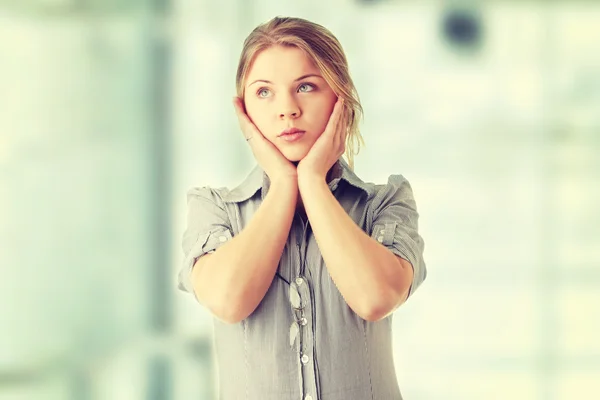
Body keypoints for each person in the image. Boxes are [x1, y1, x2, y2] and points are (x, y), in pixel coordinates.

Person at [178, 16, 427, 400]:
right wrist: (283, 184)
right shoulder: (215, 209)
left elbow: (375, 298)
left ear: (340, 98)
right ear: (243, 111)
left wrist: (311, 179)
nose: (287, 110)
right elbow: (228, 301)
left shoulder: (384, 203)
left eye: (306, 87)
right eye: (264, 93)